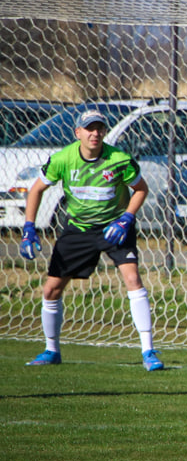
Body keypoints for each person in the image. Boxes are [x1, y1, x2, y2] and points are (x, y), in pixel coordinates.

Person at [19, 108, 164, 371]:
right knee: (51, 289)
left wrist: (127, 218)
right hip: (78, 229)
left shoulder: (119, 159)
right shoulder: (63, 159)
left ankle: (149, 351)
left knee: (133, 279)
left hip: (115, 227)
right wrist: (29, 227)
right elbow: (36, 189)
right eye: (89, 128)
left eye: (99, 128)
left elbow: (141, 189)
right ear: (78, 133)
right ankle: (51, 350)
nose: (95, 133)